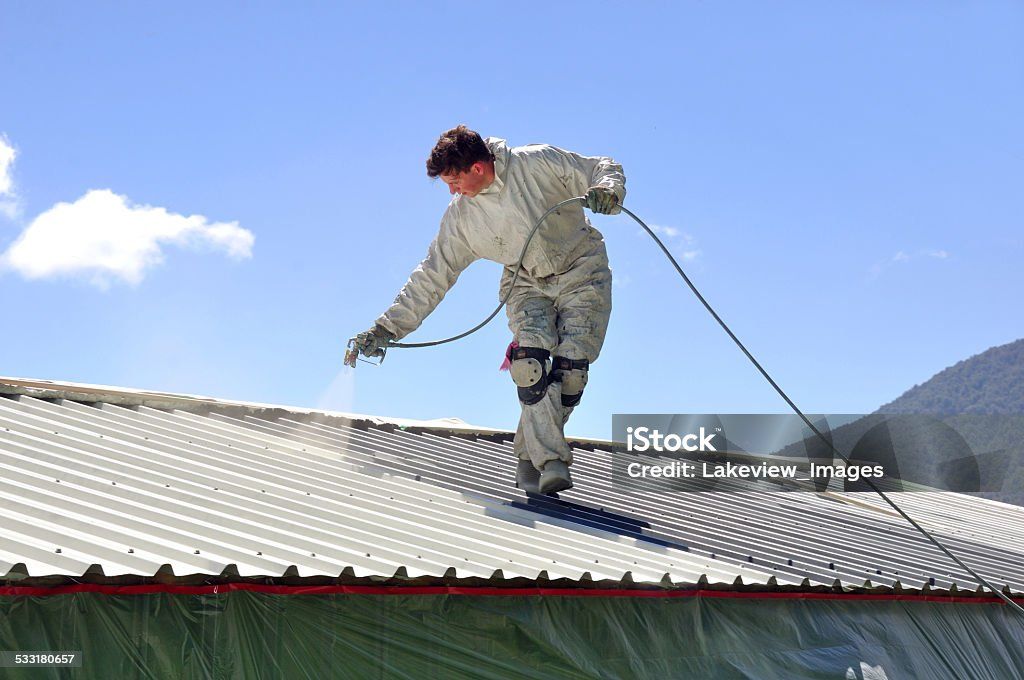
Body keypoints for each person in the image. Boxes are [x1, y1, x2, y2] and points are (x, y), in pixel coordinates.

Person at [353, 125, 625, 495]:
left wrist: (608, 189)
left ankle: (528, 457)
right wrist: (387, 328)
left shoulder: (537, 162)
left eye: (454, 181)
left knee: (572, 372)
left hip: (583, 270)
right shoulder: (461, 218)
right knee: (528, 365)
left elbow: (600, 166)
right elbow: (432, 274)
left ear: (477, 168)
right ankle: (552, 461)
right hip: (525, 281)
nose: (452, 191)